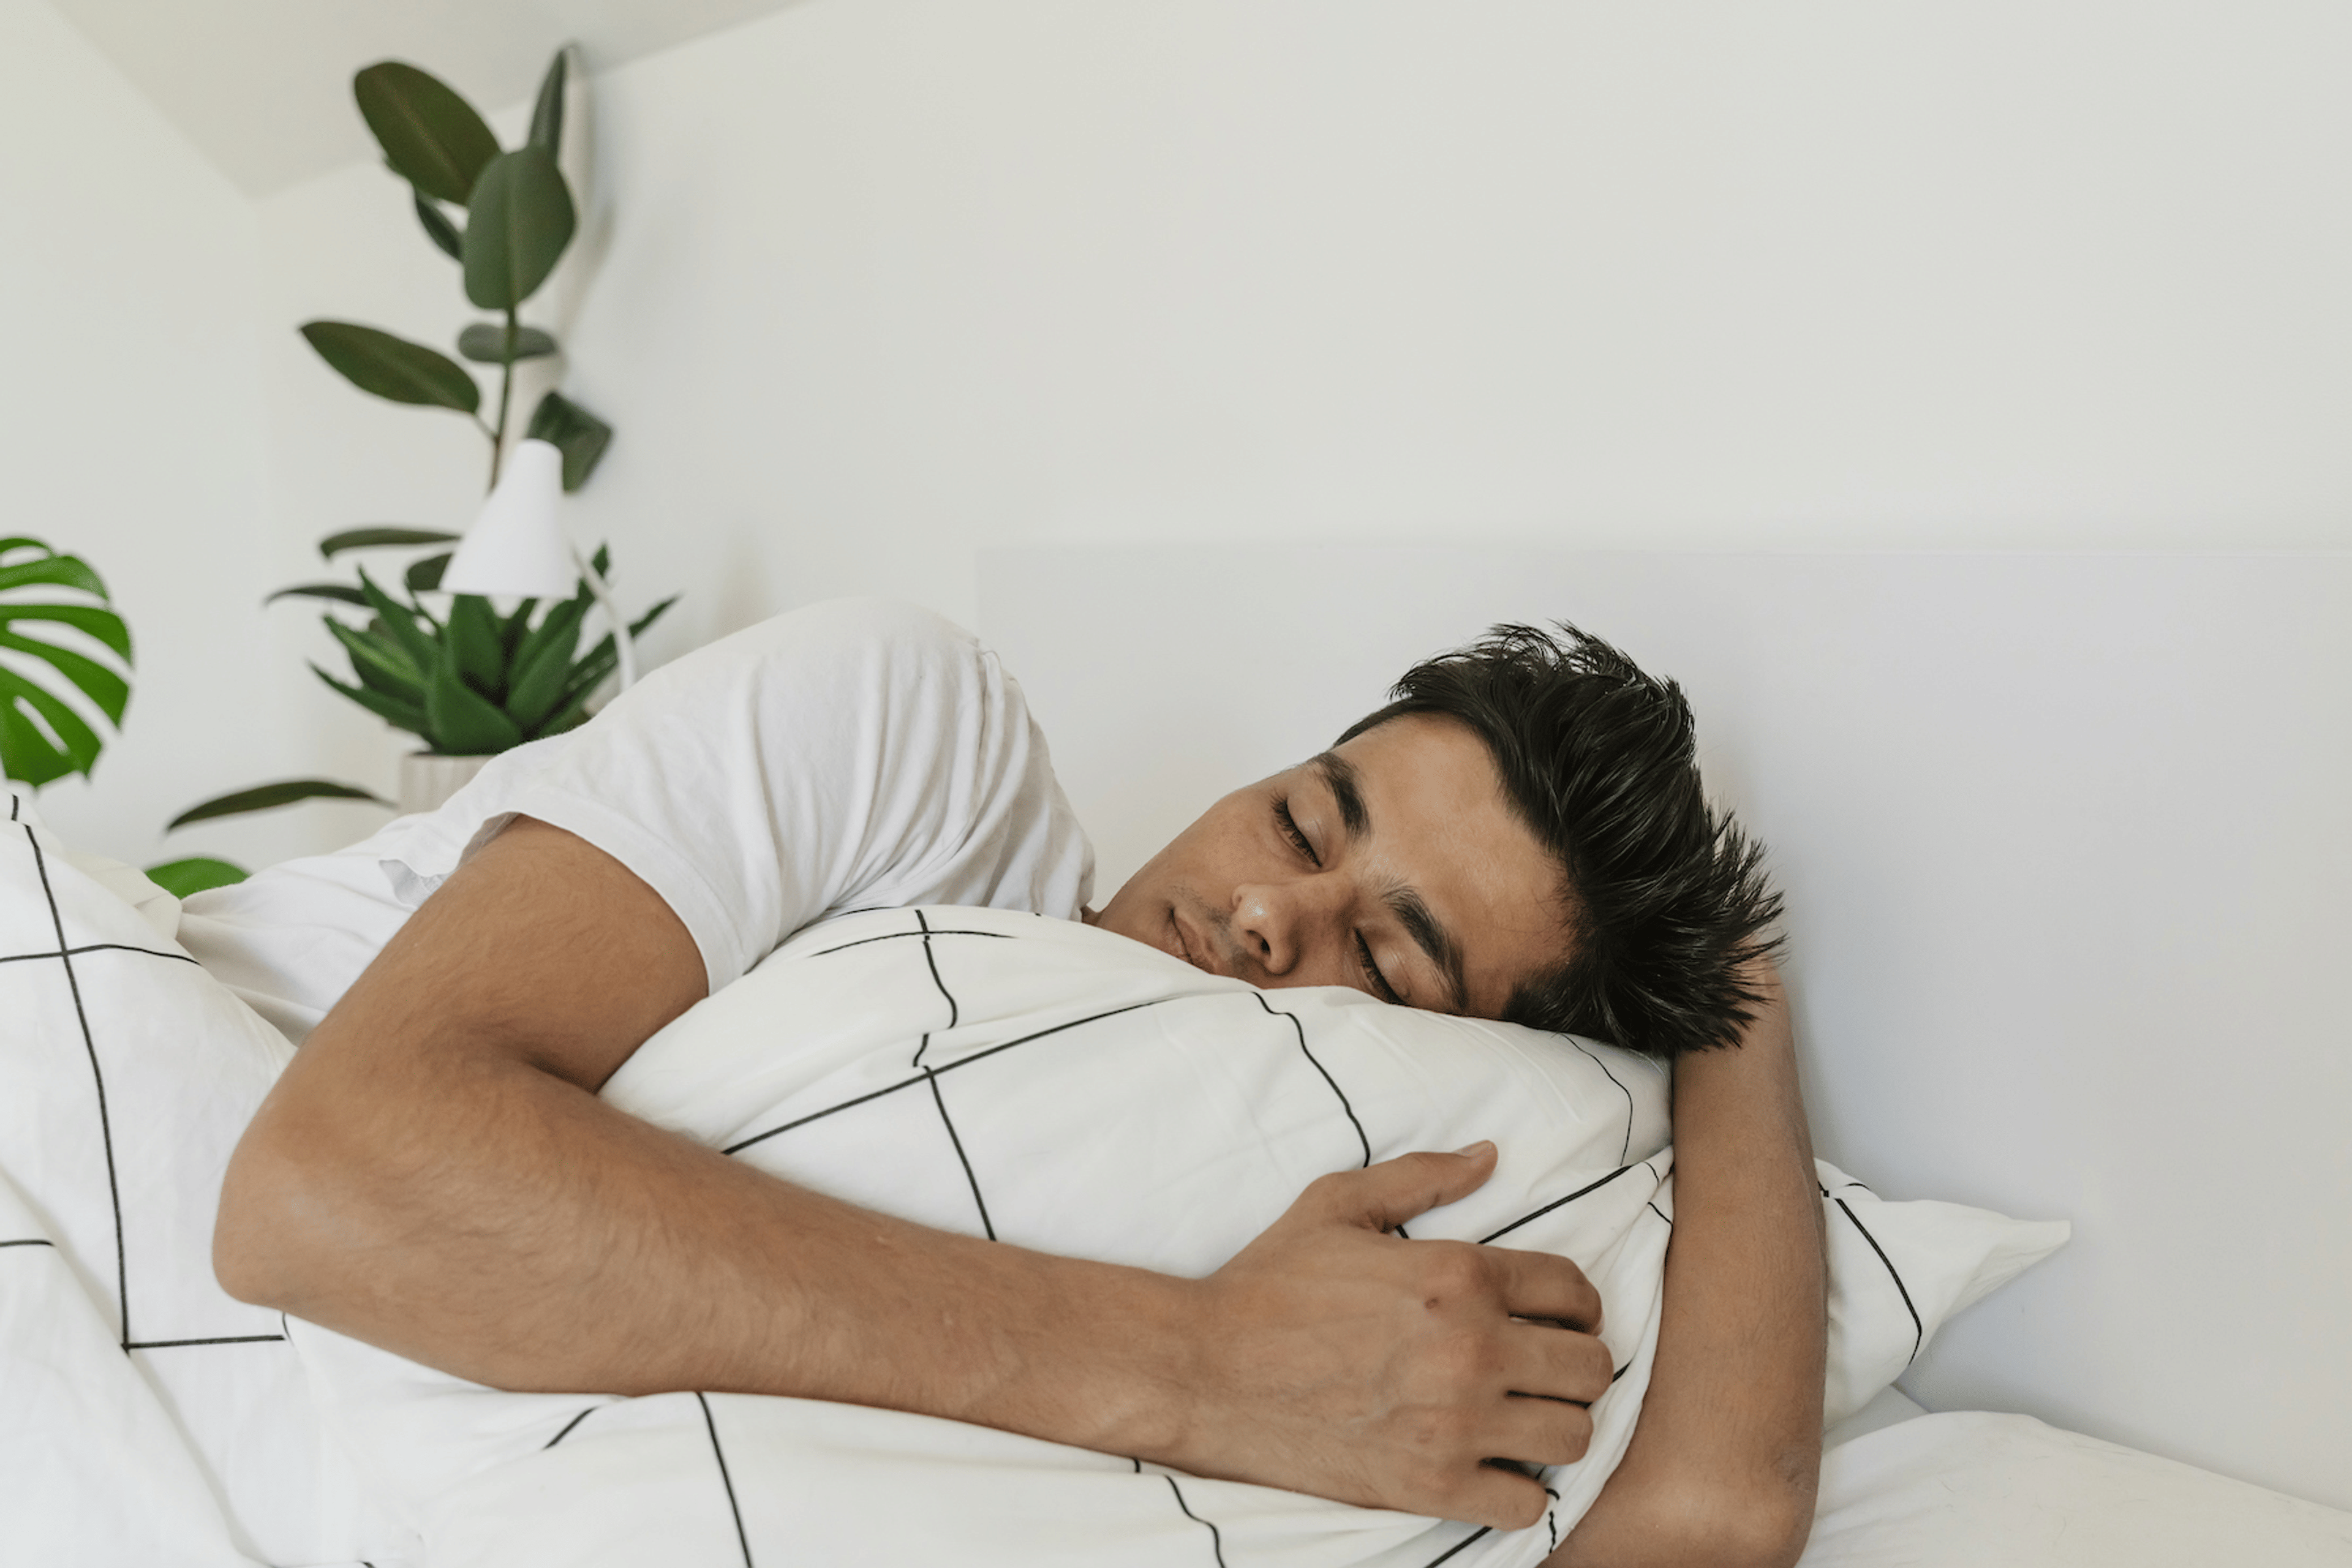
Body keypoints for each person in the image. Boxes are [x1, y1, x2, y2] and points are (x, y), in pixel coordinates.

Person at [198, 599, 1826, 1568]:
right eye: (1301, 823)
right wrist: (1197, 1369)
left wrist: (1730, 981)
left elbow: (1710, 1529)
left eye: (1387, 963)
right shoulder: (920, 748)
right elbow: (326, 1184)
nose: (1269, 912)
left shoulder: (1336, 1244)